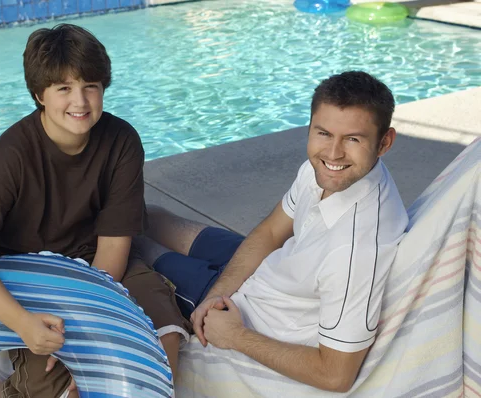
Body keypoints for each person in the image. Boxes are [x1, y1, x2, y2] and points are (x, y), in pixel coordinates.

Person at [0, 24, 190, 398]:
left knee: (161, 333)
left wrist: (90, 332)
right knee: (49, 378)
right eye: (64, 88)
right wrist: (24, 324)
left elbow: (112, 251)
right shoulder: (13, 157)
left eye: (90, 86)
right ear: (39, 94)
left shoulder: (121, 141)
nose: (80, 101)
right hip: (28, 269)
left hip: (96, 265)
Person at [132, 71, 409, 393]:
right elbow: (273, 230)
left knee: (142, 251)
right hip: (273, 267)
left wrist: (235, 335)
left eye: (353, 139)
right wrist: (216, 293)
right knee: (152, 217)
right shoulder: (324, 170)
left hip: (252, 312)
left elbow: (335, 375)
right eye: (323, 133)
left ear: (384, 142)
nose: (333, 153)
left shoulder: (355, 249)